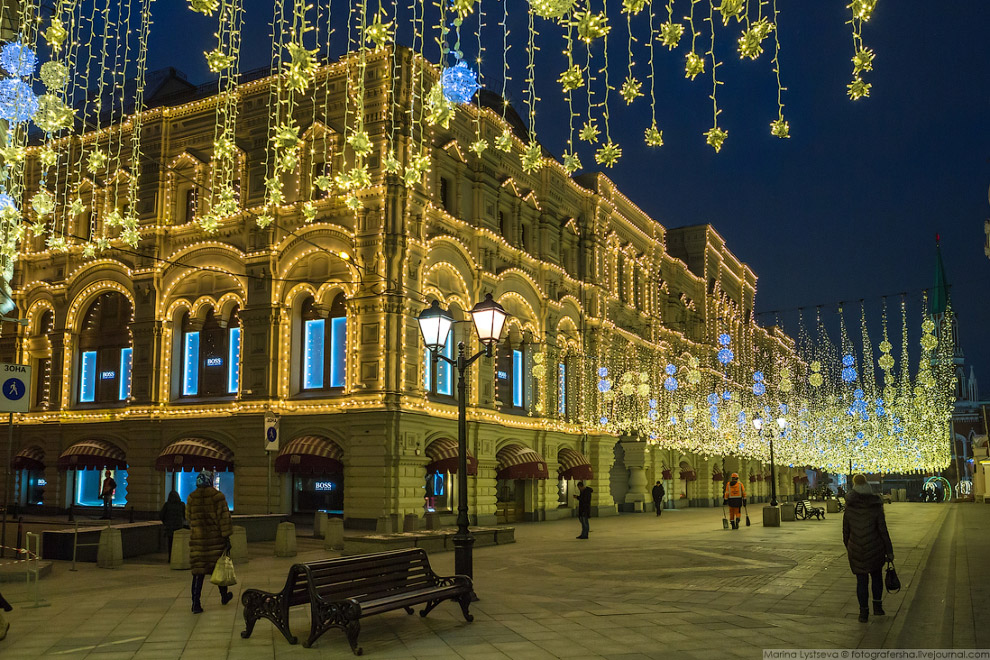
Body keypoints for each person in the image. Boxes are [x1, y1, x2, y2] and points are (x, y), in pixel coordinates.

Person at [843, 473, 894, 623]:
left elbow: (845, 532)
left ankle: (863, 613)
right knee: (876, 577)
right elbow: (883, 530)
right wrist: (889, 550)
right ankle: (877, 607)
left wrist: (850, 546)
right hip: (875, 547)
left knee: (861, 581)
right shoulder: (876, 505)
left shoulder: (849, 507)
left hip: (857, 549)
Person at [188, 470, 233, 613]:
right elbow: (224, 519)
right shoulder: (217, 497)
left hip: (198, 541)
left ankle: (196, 603)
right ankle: (224, 596)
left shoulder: (191, 498)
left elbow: (188, 517)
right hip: (215, 540)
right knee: (219, 567)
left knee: (198, 573)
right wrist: (226, 537)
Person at [160, 490, 186, 562]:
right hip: (179, 527)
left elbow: (161, 515)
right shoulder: (181, 505)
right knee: (179, 543)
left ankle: (170, 558)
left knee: (170, 543)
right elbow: (185, 516)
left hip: (170, 527)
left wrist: (165, 522)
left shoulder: (167, 505)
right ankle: (178, 557)